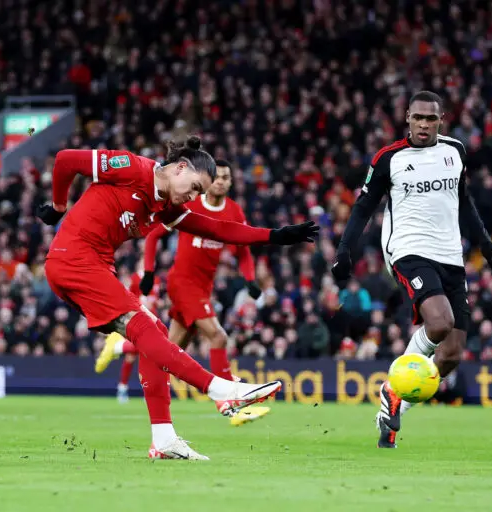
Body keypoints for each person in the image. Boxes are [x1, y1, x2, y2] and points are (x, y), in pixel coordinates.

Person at [37, 136, 318, 459]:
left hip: (93, 265)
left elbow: (218, 230)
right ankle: (221, 390)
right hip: (74, 259)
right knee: (145, 326)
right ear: (181, 167)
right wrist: (59, 206)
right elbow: (65, 160)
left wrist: (275, 236)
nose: (194, 196)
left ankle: (164, 438)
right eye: (196, 187)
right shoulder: (131, 167)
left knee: (154, 332)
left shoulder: (165, 207)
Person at [331, 91, 492, 448]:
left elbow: (464, 200)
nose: (424, 125)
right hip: (408, 250)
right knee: (438, 323)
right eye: (418, 118)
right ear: (407, 117)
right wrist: (345, 249)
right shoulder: (389, 158)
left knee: (452, 353)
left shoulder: (455, 152)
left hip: (450, 254)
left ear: (442, 120)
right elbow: (363, 207)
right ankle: (394, 386)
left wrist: (485, 244)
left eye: (431, 119)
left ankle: (393, 411)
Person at [97, 160, 270, 428]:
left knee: (169, 350)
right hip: (183, 283)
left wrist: (250, 279)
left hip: (203, 288)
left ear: (232, 182)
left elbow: (243, 248)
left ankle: (120, 346)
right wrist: (150, 272)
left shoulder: (234, 212)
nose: (222, 181)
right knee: (218, 336)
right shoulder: (191, 205)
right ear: (210, 181)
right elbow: (154, 236)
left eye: (227, 177)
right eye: (218, 177)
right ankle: (230, 405)